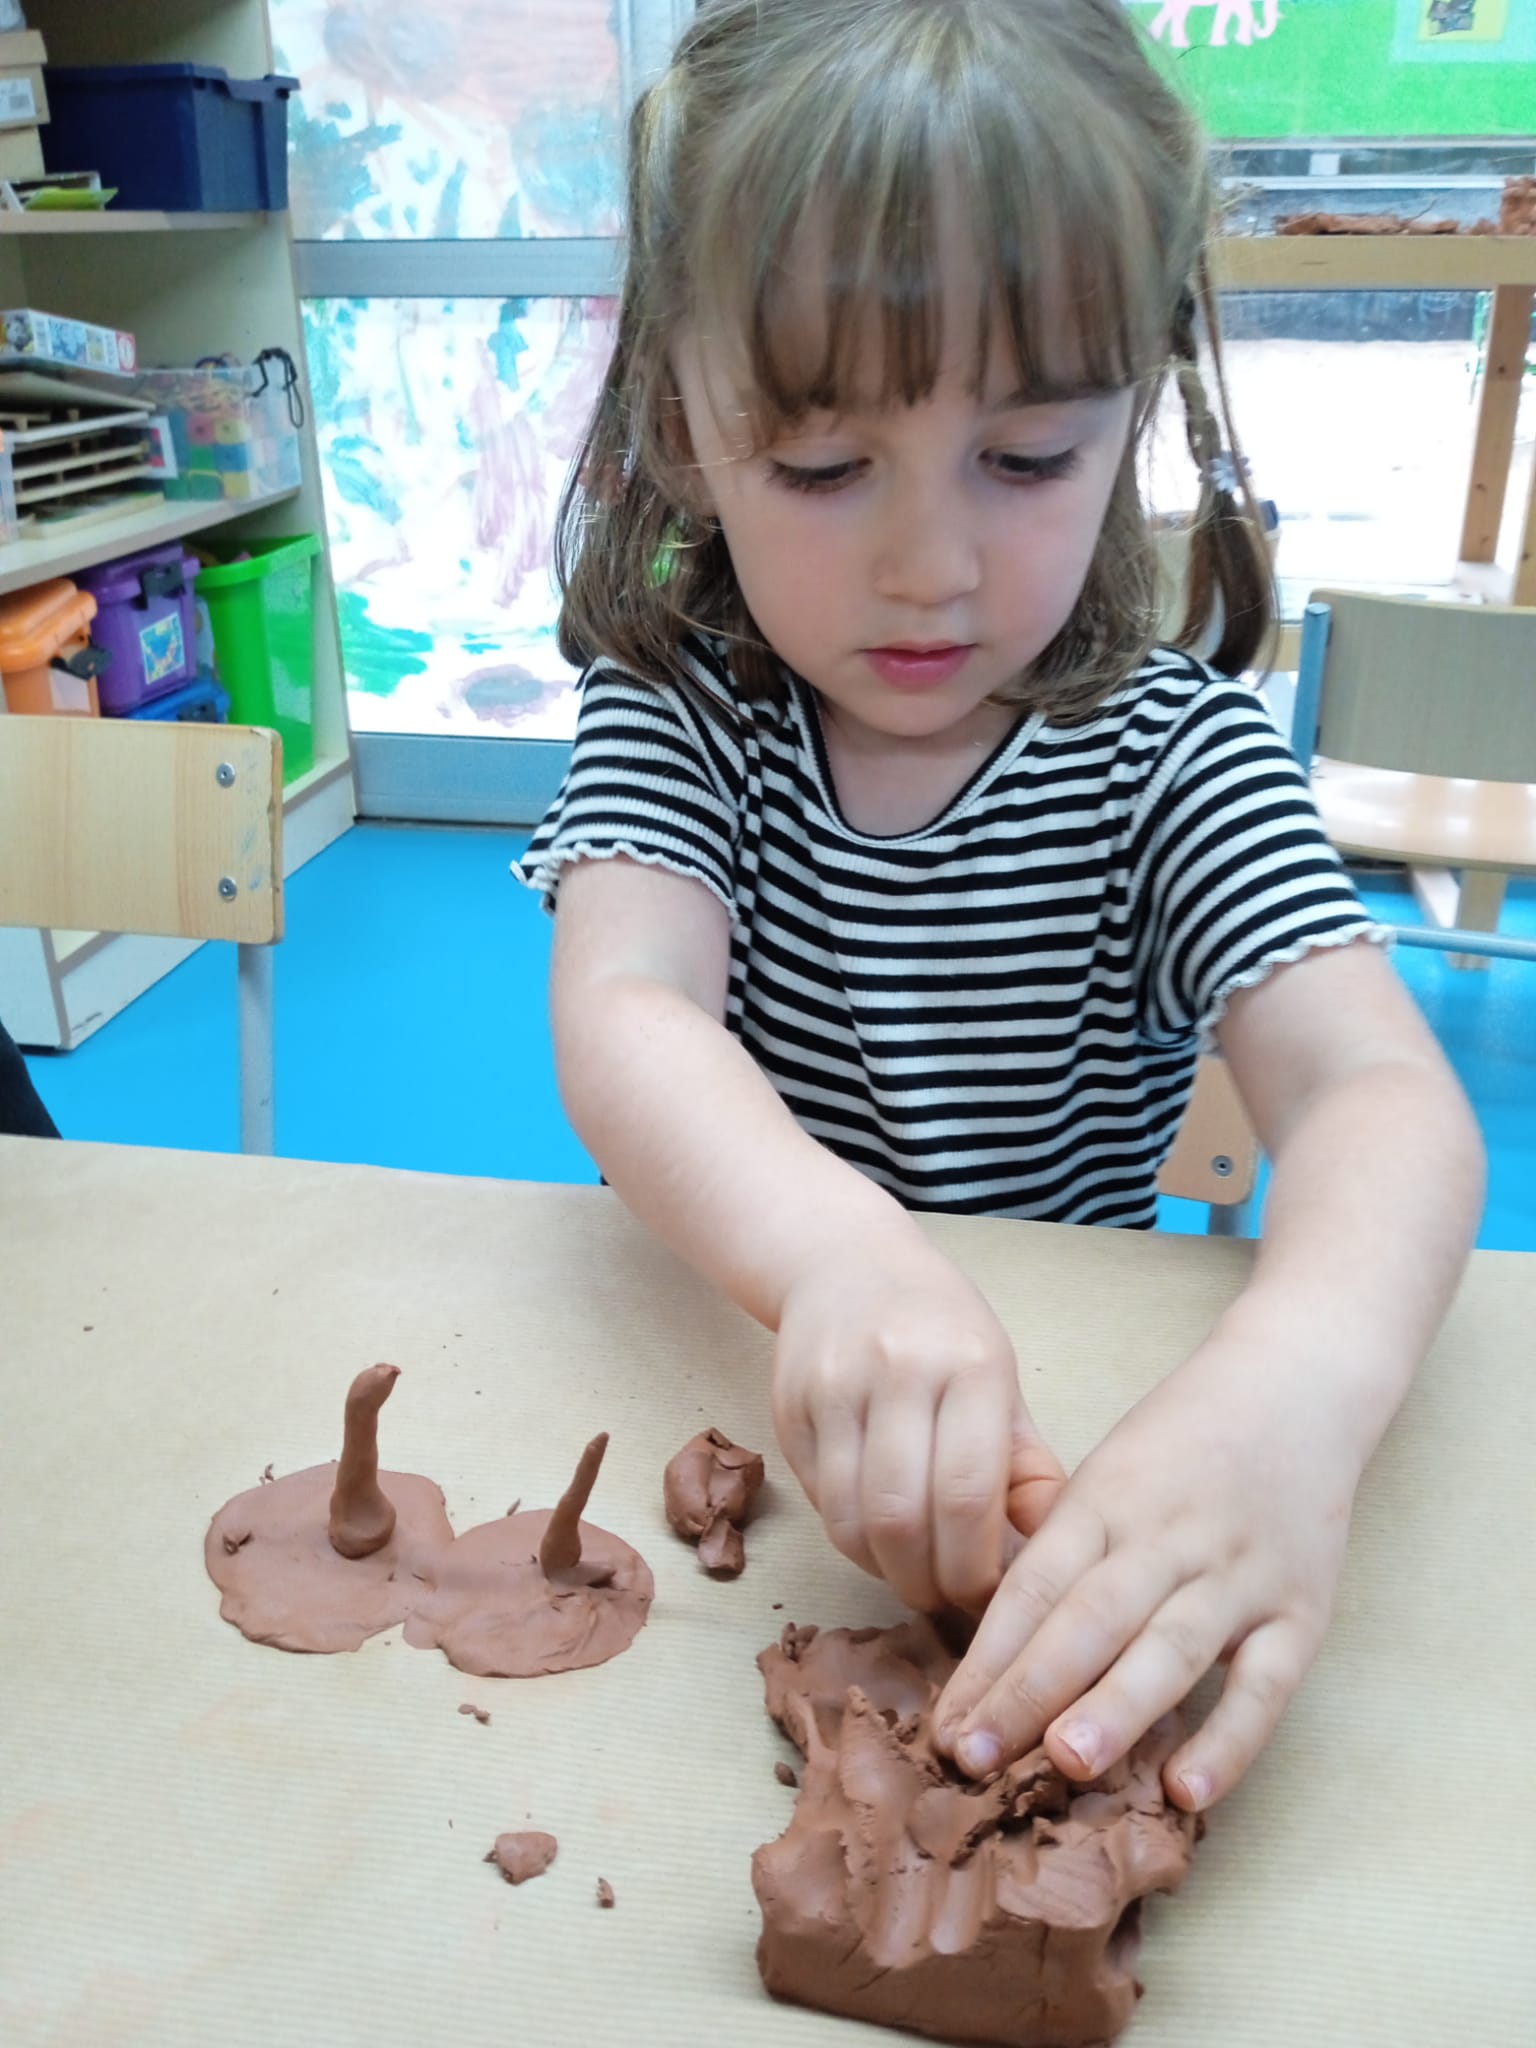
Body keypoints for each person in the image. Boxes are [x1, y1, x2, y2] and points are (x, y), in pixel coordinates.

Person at [517, 0, 1483, 1814]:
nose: (931, 566)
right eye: (822, 467)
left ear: (1139, 412)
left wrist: (1299, 1389)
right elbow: (626, 1004)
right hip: (731, 1396)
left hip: (1083, 1427)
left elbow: (1380, 1097)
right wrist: (834, 1255)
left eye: (1028, 457)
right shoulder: (683, 714)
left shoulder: (1174, 753)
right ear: (682, 421)